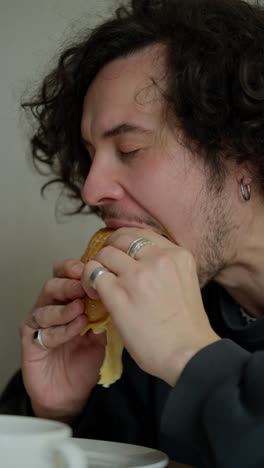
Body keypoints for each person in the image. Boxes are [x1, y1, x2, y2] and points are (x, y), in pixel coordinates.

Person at [1, 0, 264, 466]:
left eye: (130, 147)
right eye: (90, 154)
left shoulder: (171, 334)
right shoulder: (137, 324)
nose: (91, 189)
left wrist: (188, 354)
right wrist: (59, 416)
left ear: (241, 151)